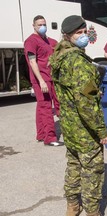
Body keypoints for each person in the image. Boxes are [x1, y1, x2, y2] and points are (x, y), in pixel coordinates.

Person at [49, 15, 107, 216]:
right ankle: (93, 212)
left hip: (69, 126)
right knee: (92, 171)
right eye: (79, 33)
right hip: (84, 129)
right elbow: (87, 103)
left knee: (73, 166)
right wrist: (101, 130)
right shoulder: (78, 62)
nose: (83, 36)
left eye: (85, 32)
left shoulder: (59, 57)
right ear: (67, 35)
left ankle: (72, 206)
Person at [24, 15, 62, 146]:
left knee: (42, 106)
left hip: (51, 78)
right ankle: (50, 138)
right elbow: (32, 61)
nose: (42, 27)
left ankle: (41, 134)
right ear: (33, 26)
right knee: (46, 106)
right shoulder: (31, 41)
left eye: (44, 24)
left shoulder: (50, 41)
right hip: (41, 79)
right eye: (39, 25)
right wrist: (41, 81)